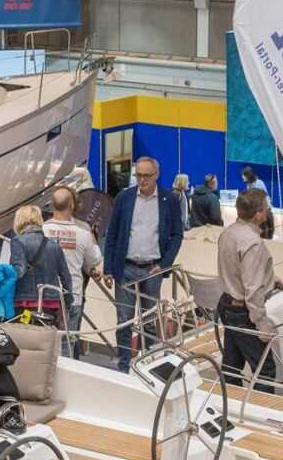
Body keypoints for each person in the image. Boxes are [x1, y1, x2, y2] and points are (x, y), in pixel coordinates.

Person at [102, 156, 183, 372]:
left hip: (153, 269)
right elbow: (112, 233)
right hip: (125, 268)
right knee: (124, 321)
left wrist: (164, 264)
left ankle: (147, 366)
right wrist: (108, 268)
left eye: (147, 175)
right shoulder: (124, 197)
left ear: (157, 175)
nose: (142, 180)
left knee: (149, 322)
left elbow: (177, 235)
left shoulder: (169, 200)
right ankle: (124, 367)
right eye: (138, 175)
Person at [217, 188, 279, 386]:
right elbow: (252, 290)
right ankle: (262, 405)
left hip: (226, 305)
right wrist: (262, 324)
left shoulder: (228, 233)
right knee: (265, 370)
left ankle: (229, 402)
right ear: (258, 214)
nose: (268, 210)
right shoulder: (253, 243)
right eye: (266, 207)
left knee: (232, 367)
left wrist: (270, 278)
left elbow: (237, 269)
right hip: (243, 313)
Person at [43, 186, 103, 357]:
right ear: (71, 205)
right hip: (72, 296)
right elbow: (95, 260)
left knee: (45, 343)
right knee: (67, 345)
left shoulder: (41, 230)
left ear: (52, 204)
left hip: (44, 296)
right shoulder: (83, 233)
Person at [2, 204, 73, 326]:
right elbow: (66, 277)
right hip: (51, 304)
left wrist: (2, 276)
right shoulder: (54, 245)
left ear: (19, 221)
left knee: (25, 332)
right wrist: (66, 303)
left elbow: (19, 270)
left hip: (26, 304)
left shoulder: (18, 241)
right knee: (43, 334)